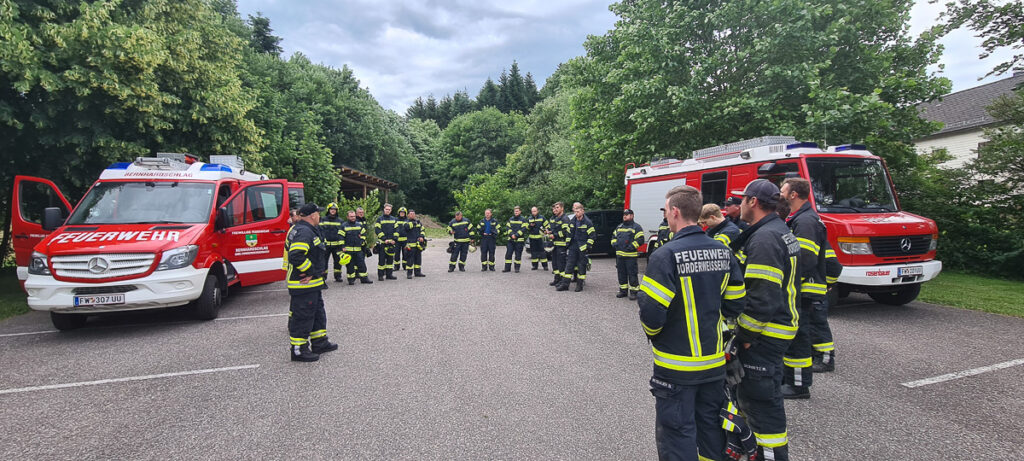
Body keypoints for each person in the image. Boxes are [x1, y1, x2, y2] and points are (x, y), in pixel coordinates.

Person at [638, 185, 746, 461]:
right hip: (713, 363)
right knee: (710, 429)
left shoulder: (665, 255)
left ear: (675, 212)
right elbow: (735, 303)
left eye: (666, 210)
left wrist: (657, 336)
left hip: (676, 367)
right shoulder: (723, 251)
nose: (666, 215)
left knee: (677, 433)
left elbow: (651, 314)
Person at [730, 179, 801, 461]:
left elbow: (762, 299)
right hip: (776, 330)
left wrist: (744, 337)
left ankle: (770, 454)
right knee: (758, 398)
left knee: (761, 404)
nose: (739, 205)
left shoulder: (765, 239)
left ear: (753, 202)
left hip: (765, 335)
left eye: (742, 199)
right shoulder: (778, 230)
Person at [779, 178, 830, 399]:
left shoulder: (806, 221)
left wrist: (789, 281)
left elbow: (806, 259)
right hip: (802, 287)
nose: (779, 194)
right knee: (796, 335)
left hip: (805, 288)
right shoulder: (800, 218)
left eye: (782, 190)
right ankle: (791, 380)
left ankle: (798, 385)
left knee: (799, 337)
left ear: (793, 195)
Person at [285, 203, 338, 362]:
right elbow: (296, 255)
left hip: (312, 284)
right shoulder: (304, 231)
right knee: (303, 317)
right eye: (318, 214)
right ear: (313, 215)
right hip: (303, 284)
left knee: (317, 313)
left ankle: (319, 342)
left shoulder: (307, 229)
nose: (319, 216)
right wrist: (310, 271)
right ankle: (299, 350)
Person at [815, 242, 843, 372]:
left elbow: (834, 266)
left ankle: (826, 360)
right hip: (814, 292)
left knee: (818, 326)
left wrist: (826, 284)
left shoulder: (808, 233)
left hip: (815, 294)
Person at [558, 202, 594, 292]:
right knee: (569, 265)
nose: (576, 213)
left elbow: (592, 236)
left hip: (582, 248)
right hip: (573, 246)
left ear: (582, 211)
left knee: (581, 267)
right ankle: (565, 285)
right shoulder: (573, 221)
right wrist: (567, 244)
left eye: (578, 212)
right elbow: (569, 233)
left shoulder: (588, 222)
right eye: (575, 212)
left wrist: (587, 247)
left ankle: (579, 285)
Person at [612, 209, 644, 300]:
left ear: (632, 216)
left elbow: (640, 239)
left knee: (632, 274)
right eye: (624, 215)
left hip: (630, 256)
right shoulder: (619, 227)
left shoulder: (636, 227)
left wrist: (631, 247)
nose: (625, 216)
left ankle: (634, 292)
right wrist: (615, 244)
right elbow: (613, 237)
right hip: (620, 256)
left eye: (627, 214)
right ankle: (623, 291)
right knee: (621, 274)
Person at [342, 210, 373, 284]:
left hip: (358, 249)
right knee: (350, 265)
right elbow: (340, 237)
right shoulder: (344, 226)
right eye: (351, 216)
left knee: (361, 264)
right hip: (348, 250)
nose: (353, 218)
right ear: (347, 217)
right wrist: (342, 246)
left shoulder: (359, 225)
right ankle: (351, 279)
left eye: (354, 216)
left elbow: (364, 234)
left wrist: (361, 241)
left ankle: (364, 278)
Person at [546, 202, 571, 287]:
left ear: (562, 208)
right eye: (554, 208)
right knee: (555, 263)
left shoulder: (565, 219)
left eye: (557, 207)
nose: (555, 209)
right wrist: (548, 232)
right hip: (555, 245)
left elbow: (565, 232)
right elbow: (553, 229)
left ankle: (563, 281)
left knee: (561, 264)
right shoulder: (555, 218)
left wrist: (555, 235)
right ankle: (557, 279)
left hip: (562, 245)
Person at [320, 203, 345, 282]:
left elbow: (342, 233)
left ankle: (338, 276)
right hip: (326, 245)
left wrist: (342, 245)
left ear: (337, 211)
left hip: (337, 245)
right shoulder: (323, 220)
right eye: (331, 209)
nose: (333, 211)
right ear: (328, 210)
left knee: (337, 262)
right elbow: (320, 231)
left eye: (334, 209)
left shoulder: (340, 221)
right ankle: (323, 277)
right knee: (324, 262)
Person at [374, 203, 400, 281]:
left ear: (391, 210)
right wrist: (384, 239)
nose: (387, 211)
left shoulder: (394, 219)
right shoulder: (379, 219)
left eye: (389, 209)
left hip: (391, 243)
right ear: (384, 209)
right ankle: (380, 275)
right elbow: (377, 230)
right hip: (383, 243)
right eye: (386, 209)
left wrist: (394, 239)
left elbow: (397, 230)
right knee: (381, 260)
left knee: (390, 260)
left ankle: (389, 274)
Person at [401, 210, 427, 279]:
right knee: (410, 260)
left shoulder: (418, 222)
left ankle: (417, 272)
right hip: (410, 245)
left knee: (418, 259)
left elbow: (422, 230)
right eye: (411, 214)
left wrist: (422, 236)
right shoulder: (406, 222)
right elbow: (406, 227)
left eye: (413, 214)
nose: (412, 215)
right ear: (408, 215)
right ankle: (409, 274)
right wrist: (414, 223)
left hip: (418, 245)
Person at [503, 206, 529, 273]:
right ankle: (507, 268)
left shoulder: (523, 220)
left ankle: (517, 268)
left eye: (517, 211)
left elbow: (524, 229)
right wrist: (512, 235)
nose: (516, 212)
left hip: (519, 241)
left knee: (518, 255)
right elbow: (508, 228)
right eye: (515, 211)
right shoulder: (511, 219)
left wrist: (516, 235)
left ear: (520, 211)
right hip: (511, 240)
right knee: (508, 254)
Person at [527, 206, 549, 271]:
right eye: (532, 211)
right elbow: (526, 228)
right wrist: (530, 225)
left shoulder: (542, 218)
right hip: (532, 238)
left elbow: (547, 225)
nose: (533, 213)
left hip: (540, 238)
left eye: (534, 211)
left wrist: (546, 230)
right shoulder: (529, 218)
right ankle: (534, 266)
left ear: (537, 211)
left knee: (542, 252)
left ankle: (545, 266)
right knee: (533, 253)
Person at [394, 207, 408, 273]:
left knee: (405, 254)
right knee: (396, 254)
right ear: (399, 213)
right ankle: (396, 266)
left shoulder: (407, 220)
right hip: (397, 240)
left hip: (405, 240)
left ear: (405, 213)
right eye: (401, 212)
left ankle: (405, 266)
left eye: (403, 213)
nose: (402, 214)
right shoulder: (395, 220)